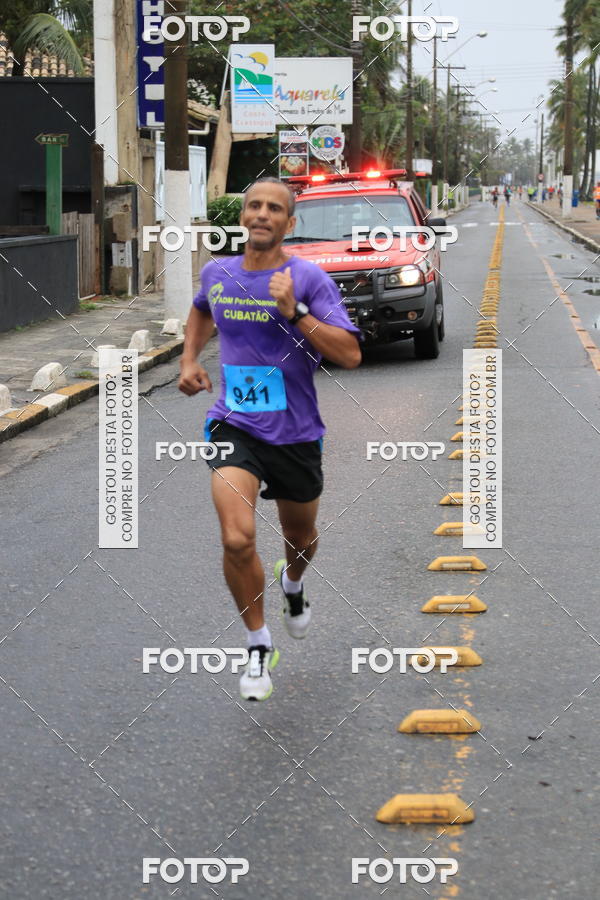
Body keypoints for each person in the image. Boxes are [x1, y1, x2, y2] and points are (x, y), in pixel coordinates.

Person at [178, 177, 361, 701]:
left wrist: (296, 313)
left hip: (297, 434)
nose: (261, 214)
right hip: (232, 424)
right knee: (236, 538)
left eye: (274, 208)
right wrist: (189, 359)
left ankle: (294, 585)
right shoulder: (219, 272)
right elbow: (200, 309)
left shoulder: (307, 279)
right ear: (244, 216)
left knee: (300, 539)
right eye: (254, 205)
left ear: (288, 223)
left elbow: (349, 354)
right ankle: (258, 643)